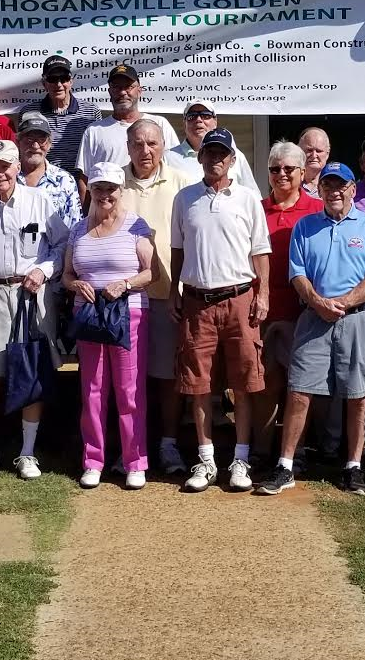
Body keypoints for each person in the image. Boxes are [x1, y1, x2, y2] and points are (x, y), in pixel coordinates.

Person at [256, 161, 365, 496]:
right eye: (328, 186)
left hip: (358, 318)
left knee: (358, 395)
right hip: (314, 317)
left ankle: (353, 466)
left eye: (341, 186)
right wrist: (317, 302)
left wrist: (343, 301)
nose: (334, 192)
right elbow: (296, 273)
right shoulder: (305, 226)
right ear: (321, 190)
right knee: (299, 390)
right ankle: (285, 465)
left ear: (352, 189)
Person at [0, 139, 69, 482]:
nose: (0, 172)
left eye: (6, 165)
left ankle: (27, 453)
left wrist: (44, 270)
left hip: (30, 294)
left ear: (18, 167)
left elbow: (62, 244)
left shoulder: (39, 200)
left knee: (31, 371)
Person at [170, 127, 270, 492]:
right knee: (198, 386)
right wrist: (174, 290)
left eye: (221, 154)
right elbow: (177, 249)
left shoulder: (247, 199)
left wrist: (263, 295)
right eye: (209, 153)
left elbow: (260, 251)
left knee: (244, 383)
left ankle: (240, 459)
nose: (215, 159)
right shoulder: (184, 199)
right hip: (197, 302)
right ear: (201, 158)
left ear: (231, 160)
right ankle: (206, 459)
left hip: (240, 299)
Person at [63, 162, 156, 490]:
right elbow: (67, 274)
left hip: (127, 315)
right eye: (99, 188)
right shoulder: (77, 229)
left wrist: (126, 284)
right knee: (92, 390)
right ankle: (93, 460)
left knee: (129, 391)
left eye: (111, 189)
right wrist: (76, 286)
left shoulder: (136, 226)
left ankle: (135, 461)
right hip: (88, 316)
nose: (104, 195)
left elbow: (150, 273)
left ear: (120, 191)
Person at [121, 119, 198, 473]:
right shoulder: (114, 184)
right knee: (129, 377)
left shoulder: (183, 183)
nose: (145, 150)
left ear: (163, 145)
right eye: (138, 144)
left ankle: (168, 445)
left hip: (169, 295)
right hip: (124, 298)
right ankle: (131, 446)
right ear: (128, 147)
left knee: (167, 375)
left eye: (152, 143)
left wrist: (184, 289)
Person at [257, 140, 323, 463]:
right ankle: (260, 449)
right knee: (267, 383)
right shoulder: (256, 208)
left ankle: (295, 452)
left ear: (301, 172)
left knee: (300, 385)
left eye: (288, 169)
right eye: (274, 169)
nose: (281, 174)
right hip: (265, 310)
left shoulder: (316, 209)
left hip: (303, 313)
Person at [77, 65, 179, 174]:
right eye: (117, 87)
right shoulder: (94, 131)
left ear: (139, 91)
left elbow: (175, 166)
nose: (122, 92)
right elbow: (85, 177)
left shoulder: (160, 124)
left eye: (128, 87)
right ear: (110, 92)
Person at [16, 55, 100, 180]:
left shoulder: (91, 111)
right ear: (44, 83)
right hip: (42, 184)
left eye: (64, 78)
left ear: (71, 81)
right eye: (53, 79)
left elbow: (96, 153)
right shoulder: (28, 112)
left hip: (81, 185)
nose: (59, 84)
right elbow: (22, 151)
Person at [168, 100, 258, 192]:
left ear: (215, 121)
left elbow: (253, 196)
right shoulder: (168, 158)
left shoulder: (235, 155)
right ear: (184, 124)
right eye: (192, 116)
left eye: (205, 115)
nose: (198, 120)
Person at [17, 111, 82, 228]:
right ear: (18, 142)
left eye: (42, 140)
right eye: (29, 139)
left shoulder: (65, 180)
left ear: (49, 144)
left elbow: (74, 227)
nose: (35, 146)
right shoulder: (6, 178)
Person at [298, 127, 331, 197]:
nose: (314, 155)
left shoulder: (336, 185)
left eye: (319, 151)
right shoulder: (289, 183)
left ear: (327, 154)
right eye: (309, 150)